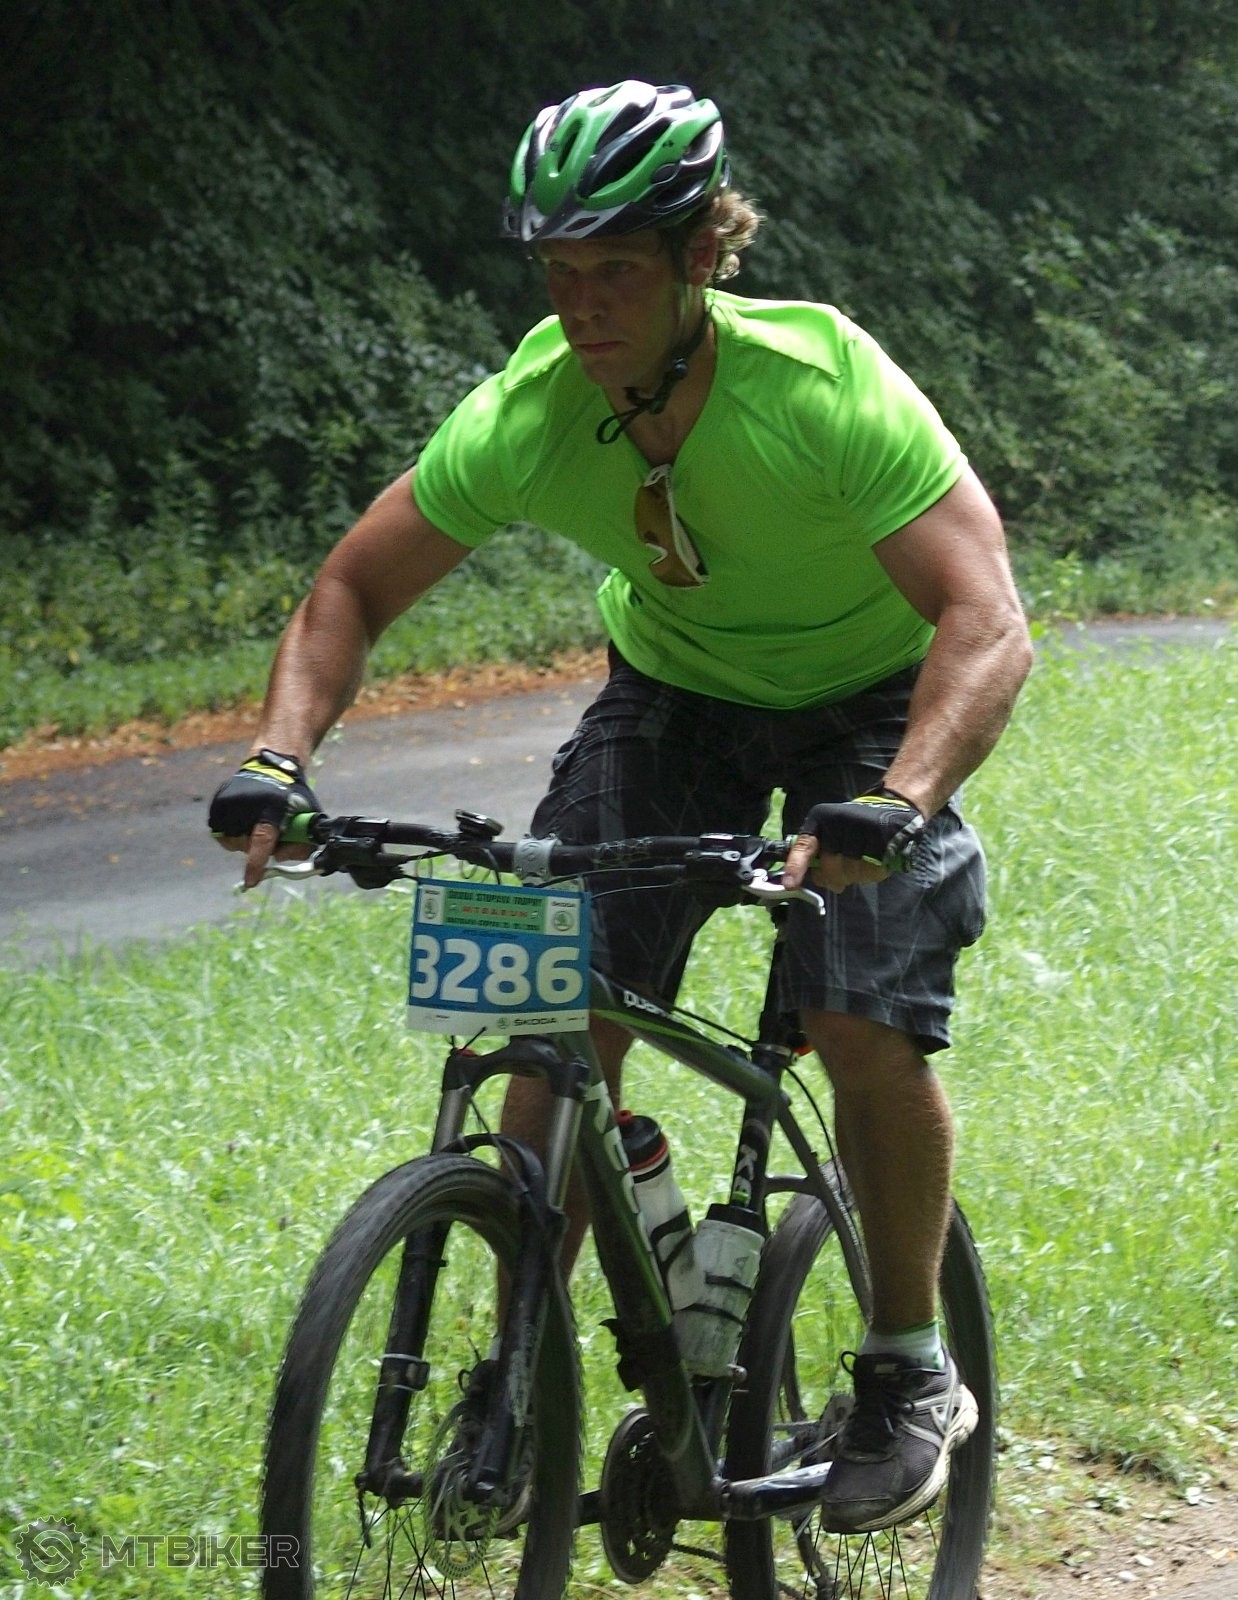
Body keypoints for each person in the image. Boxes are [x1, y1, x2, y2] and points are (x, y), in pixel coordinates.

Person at [210, 80, 1032, 1533]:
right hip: (675, 694)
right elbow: (352, 587)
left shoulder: (820, 386)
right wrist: (277, 759)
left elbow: (987, 618)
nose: (582, 306)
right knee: (555, 1003)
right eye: (559, 271)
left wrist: (899, 800)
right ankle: (518, 1379)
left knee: (856, 1015)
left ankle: (910, 1366)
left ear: (701, 256)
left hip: (872, 699)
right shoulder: (532, 411)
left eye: (617, 271)